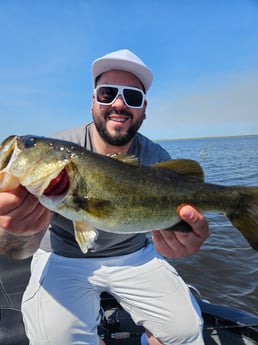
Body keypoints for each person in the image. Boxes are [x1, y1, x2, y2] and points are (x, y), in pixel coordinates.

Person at [0, 49, 209, 345]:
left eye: (132, 97)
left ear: (144, 108)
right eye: (107, 93)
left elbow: (175, 225)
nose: (119, 104)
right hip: (63, 256)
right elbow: (16, 249)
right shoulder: (64, 146)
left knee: (185, 331)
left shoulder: (157, 158)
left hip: (135, 256)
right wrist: (17, 229)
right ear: (93, 103)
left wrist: (184, 239)